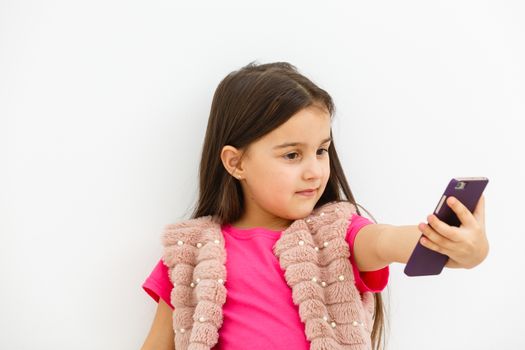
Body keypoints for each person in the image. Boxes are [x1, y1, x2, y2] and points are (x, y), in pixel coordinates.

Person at [140, 61, 488, 350]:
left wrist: (460, 246)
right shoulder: (190, 253)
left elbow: (388, 241)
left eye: (321, 150)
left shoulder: (335, 235)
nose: (315, 171)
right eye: (292, 155)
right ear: (236, 163)